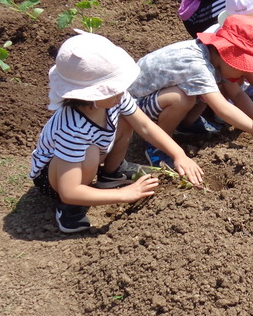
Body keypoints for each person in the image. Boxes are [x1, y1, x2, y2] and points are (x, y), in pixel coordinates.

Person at [29, 32, 204, 234]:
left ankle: (112, 173)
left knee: (126, 119)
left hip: (90, 154)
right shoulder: (72, 129)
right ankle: (69, 212)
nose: (121, 91)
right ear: (90, 95)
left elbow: (145, 126)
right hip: (56, 180)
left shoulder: (116, 99)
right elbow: (69, 191)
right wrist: (126, 194)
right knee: (89, 152)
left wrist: (178, 155)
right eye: (113, 89)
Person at [124, 15, 253, 167]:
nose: (244, 76)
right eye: (243, 69)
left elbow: (237, 94)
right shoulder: (197, 65)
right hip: (132, 108)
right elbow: (222, 108)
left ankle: (183, 126)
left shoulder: (215, 59)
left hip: (154, 100)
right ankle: (157, 145)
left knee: (206, 91)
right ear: (228, 54)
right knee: (181, 99)